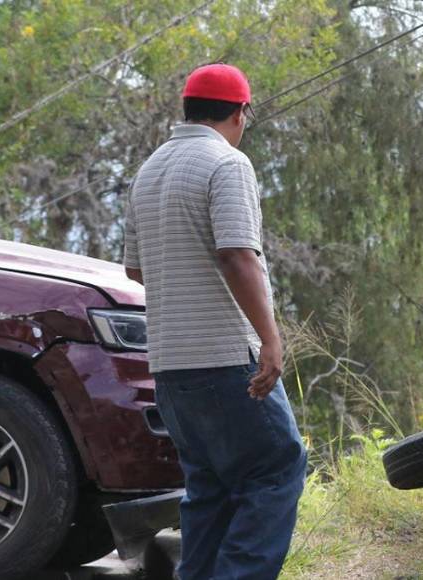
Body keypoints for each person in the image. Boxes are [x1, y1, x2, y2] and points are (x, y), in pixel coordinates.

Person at [122, 63, 306, 580]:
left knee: (210, 490)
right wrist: (270, 340)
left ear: (187, 108)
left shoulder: (150, 169)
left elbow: (135, 268)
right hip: (225, 358)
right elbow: (236, 256)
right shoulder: (227, 164)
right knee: (277, 470)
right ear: (240, 112)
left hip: (170, 365)